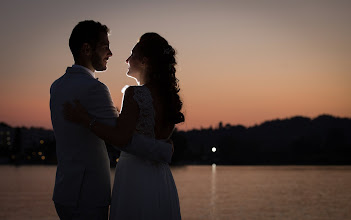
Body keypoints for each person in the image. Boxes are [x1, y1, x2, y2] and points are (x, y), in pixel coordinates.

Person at [50, 21, 173, 220]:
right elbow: (120, 137)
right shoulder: (95, 89)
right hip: (88, 192)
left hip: (64, 190)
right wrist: (164, 149)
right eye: (105, 46)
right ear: (87, 49)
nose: (111, 53)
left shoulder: (56, 86)